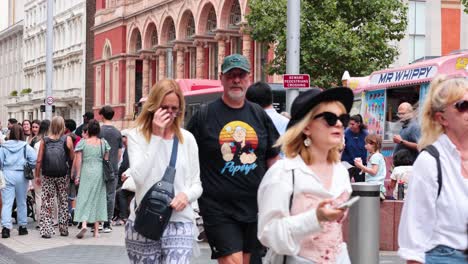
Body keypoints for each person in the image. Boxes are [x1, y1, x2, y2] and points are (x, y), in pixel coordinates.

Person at [187, 54, 280, 263]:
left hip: (255, 208)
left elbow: (273, 160)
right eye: (231, 75)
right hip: (218, 209)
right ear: (222, 78)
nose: (236, 80)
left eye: (241, 75)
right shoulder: (204, 116)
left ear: (249, 78)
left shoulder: (259, 115)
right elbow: (186, 155)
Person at [257, 87, 354, 263]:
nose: (339, 124)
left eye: (343, 119)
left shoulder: (341, 172)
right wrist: (315, 217)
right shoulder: (284, 173)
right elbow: (268, 234)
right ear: (307, 127)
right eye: (330, 119)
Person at [124, 79, 202, 263]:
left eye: (175, 109)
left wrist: (186, 195)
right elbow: (139, 177)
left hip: (180, 221)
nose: (170, 113)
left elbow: (196, 184)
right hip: (144, 222)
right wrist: (156, 136)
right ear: (153, 107)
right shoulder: (136, 136)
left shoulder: (187, 139)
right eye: (164, 107)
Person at [398, 75, 468, 264]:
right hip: (445, 257)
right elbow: (414, 236)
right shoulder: (430, 161)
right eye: (463, 106)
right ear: (442, 118)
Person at [35, 116, 74, 238]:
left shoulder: (44, 140)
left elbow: (39, 160)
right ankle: (63, 229)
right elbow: (72, 157)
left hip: (47, 175)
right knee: (63, 202)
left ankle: (47, 230)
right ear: (63, 126)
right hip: (62, 175)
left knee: (47, 202)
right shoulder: (67, 139)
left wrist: (37, 175)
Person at [72, 119, 110, 238]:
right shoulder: (103, 143)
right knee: (98, 198)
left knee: (84, 197)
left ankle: (84, 223)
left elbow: (78, 161)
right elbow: (106, 159)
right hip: (99, 172)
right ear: (98, 130)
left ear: (88, 130)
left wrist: (77, 175)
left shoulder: (82, 143)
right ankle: (97, 231)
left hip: (86, 171)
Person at [0, 124, 37, 238]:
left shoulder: (4, 147)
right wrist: (28, 166)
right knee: (21, 201)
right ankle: (22, 227)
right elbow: (34, 160)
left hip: (7, 173)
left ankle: (6, 228)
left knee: (7, 202)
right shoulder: (26, 146)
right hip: (22, 174)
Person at [98, 105, 123, 233]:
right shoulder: (118, 132)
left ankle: (99, 222)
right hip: (113, 167)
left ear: (102, 115)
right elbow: (119, 153)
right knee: (110, 195)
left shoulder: (99, 131)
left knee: (99, 194)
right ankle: (107, 222)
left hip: (100, 167)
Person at [354, 133, 387, 200]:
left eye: (366, 144)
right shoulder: (377, 155)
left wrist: (361, 166)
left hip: (374, 186)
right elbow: (372, 171)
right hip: (376, 186)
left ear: (373, 144)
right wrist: (362, 166)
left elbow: (374, 172)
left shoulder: (375, 156)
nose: (365, 146)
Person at [31, 119, 51, 227]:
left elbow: (35, 160)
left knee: (38, 196)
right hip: (50, 170)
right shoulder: (53, 141)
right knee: (51, 196)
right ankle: (53, 219)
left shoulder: (35, 141)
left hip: (38, 170)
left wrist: (36, 174)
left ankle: (40, 221)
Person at [341, 114, 368, 182]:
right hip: (348, 163)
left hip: (361, 163)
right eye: (349, 124)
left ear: (358, 124)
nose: (350, 126)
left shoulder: (365, 134)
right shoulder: (346, 133)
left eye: (352, 124)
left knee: (360, 183)